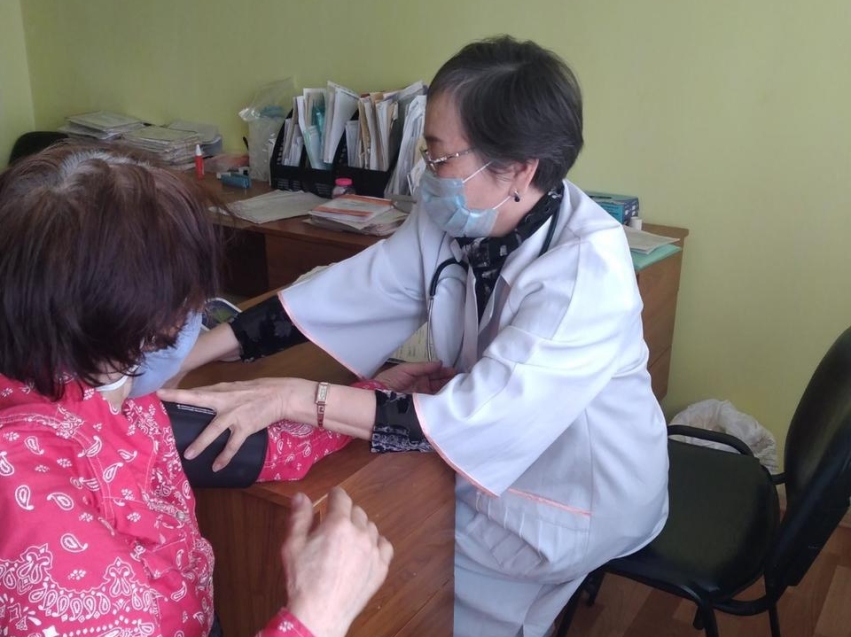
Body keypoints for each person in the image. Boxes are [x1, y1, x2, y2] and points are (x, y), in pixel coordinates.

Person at [162, 36, 670, 637]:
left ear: (518, 169)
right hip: (501, 457)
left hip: (574, 495)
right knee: (393, 528)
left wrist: (296, 398)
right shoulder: (461, 216)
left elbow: (474, 420)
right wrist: (193, 352)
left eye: (440, 157)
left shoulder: (586, 272)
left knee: (409, 566)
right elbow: (344, 294)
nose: (427, 174)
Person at [0, 144, 395, 637]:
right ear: (142, 320)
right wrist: (319, 614)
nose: (200, 312)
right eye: (191, 301)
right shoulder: (25, 491)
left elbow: (240, 440)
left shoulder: (106, 388)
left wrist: (378, 400)